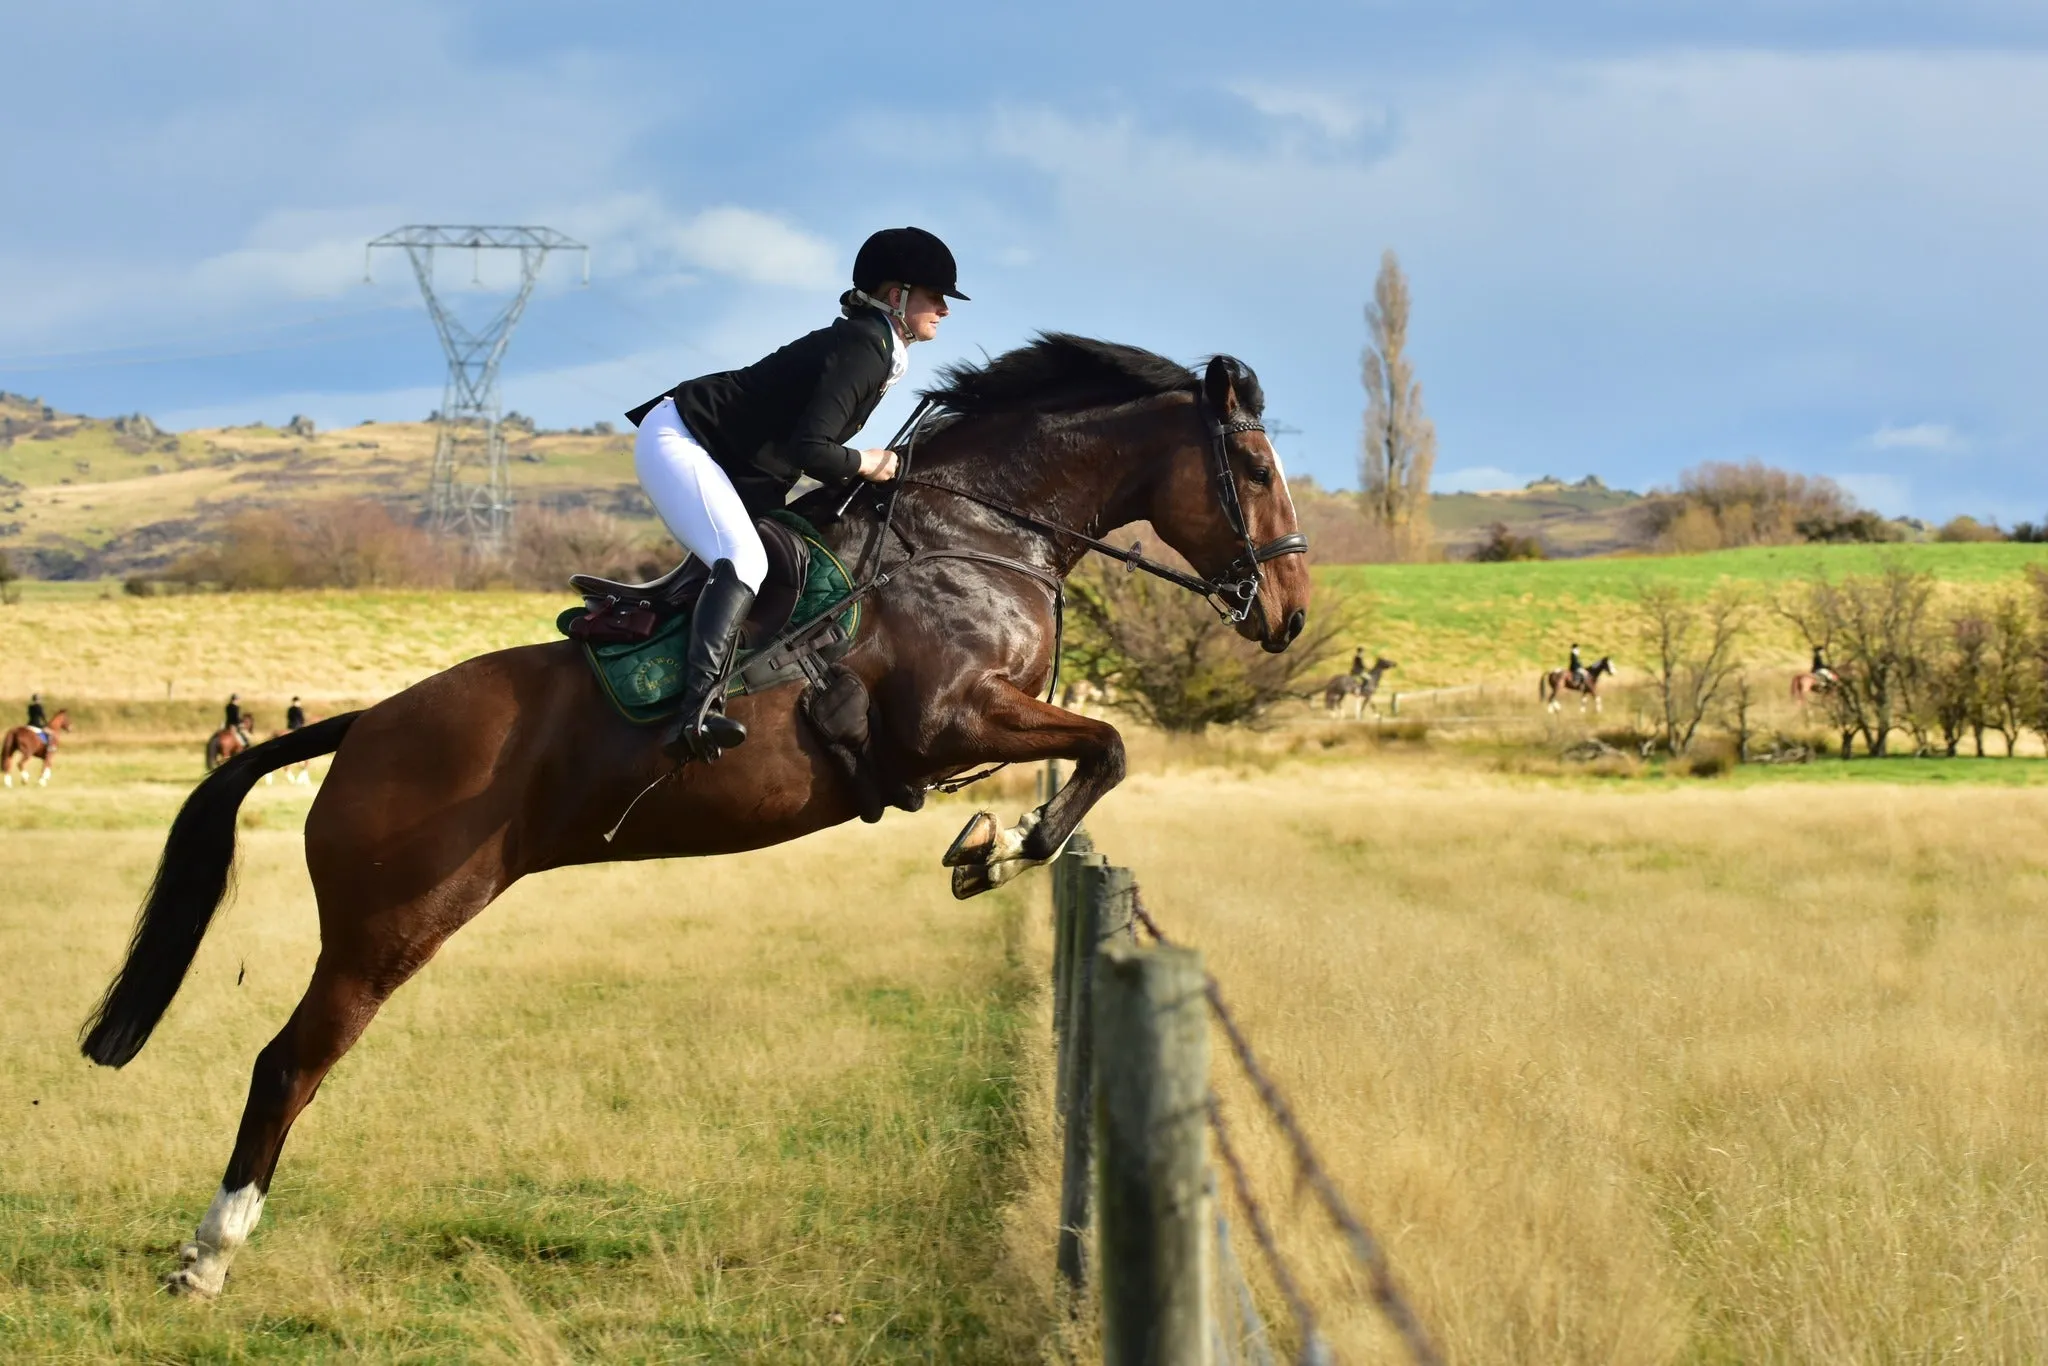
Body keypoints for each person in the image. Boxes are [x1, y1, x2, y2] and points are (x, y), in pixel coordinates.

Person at [623, 226, 967, 762]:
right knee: (742, 559)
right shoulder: (864, 348)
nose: (944, 309)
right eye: (935, 296)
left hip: (725, 457)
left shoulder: (874, 346)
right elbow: (812, 449)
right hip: (683, 440)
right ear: (898, 296)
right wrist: (869, 463)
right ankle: (695, 714)